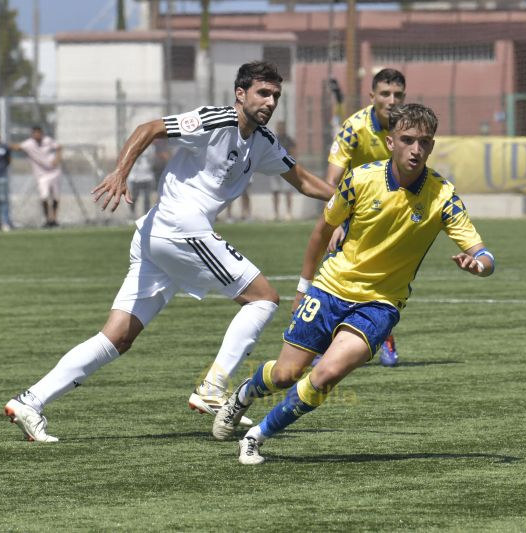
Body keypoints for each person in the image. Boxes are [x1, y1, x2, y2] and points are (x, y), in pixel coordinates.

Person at [3, 61, 335, 443]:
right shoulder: (215, 120)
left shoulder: (263, 143)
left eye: (276, 95)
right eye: (263, 92)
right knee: (263, 298)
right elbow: (149, 129)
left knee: (117, 337)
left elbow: (305, 181)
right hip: (179, 227)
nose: (271, 101)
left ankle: (31, 400)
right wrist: (120, 173)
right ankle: (213, 388)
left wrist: (349, 194)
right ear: (240, 94)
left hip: (159, 237)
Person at [212, 103, 496, 465]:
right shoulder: (361, 178)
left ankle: (257, 436)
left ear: (432, 146)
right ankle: (244, 394)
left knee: (327, 373)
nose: (416, 149)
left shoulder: (442, 195)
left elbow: (485, 254)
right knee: (285, 374)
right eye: (407, 140)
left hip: (381, 304)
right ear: (391, 142)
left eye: (424, 142)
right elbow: (322, 230)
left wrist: (479, 266)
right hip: (330, 289)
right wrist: (303, 286)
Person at [301, 68, 406, 367]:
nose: (392, 100)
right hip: (353, 209)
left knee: (382, 276)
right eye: (385, 94)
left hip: (393, 212)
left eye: (398, 94)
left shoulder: (407, 130)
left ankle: (383, 335)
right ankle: (321, 342)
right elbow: (332, 179)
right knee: (334, 271)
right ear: (372, 97)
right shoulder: (354, 127)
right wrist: (336, 222)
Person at [11, 126, 62, 228]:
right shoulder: (29, 144)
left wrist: (57, 159)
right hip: (42, 175)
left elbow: (58, 147)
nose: (37, 136)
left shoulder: (47, 140)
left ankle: (54, 219)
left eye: (39, 133)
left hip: (54, 172)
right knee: (44, 196)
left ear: (42, 134)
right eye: (35, 133)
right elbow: (17, 147)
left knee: (55, 196)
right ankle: (48, 219)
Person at [269, 121, 296, 220]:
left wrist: (292, 165)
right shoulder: (273, 139)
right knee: (275, 191)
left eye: (282, 127)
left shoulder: (288, 140)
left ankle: (288, 213)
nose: (280, 129)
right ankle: (276, 214)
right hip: (274, 169)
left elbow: (293, 152)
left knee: (287, 191)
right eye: (279, 127)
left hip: (285, 169)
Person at [126, 143, 156, 220]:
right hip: (135, 177)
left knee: (147, 199)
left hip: (147, 177)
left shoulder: (150, 147)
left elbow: (152, 159)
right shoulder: (132, 146)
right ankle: (132, 215)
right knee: (134, 198)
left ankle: (147, 217)